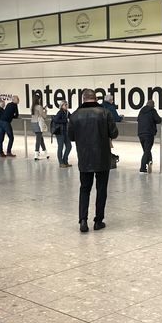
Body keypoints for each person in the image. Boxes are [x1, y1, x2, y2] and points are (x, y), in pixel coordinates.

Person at [68, 89, 118, 233]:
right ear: (95, 98)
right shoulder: (104, 113)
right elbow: (114, 133)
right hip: (102, 157)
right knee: (101, 189)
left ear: (83, 98)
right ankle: (98, 221)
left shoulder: (75, 115)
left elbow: (71, 136)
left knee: (84, 189)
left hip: (84, 157)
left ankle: (83, 220)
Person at [137, 100, 161, 174]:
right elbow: (158, 120)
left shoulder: (141, 111)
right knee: (147, 151)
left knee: (146, 150)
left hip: (141, 133)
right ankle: (142, 168)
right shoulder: (152, 111)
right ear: (152, 105)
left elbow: (138, 119)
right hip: (149, 133)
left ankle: (150, 161)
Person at [52, 101, 73, 168]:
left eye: (67, 104)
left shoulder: (67, 112)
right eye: (65, 105)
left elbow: (72, 117)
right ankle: (61, 162)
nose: (67, 106)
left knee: (69, 146)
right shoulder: (60, 112)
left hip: (65, 132)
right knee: (60, 147)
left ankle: (65, 160)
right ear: (61, 106)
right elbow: (55, 120)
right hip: (60, 132)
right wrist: (65, 121)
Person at [30, 94, 49, 160]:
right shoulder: (39, 106)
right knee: (38, 139)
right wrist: (45, 110)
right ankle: (36, 154)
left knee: (40, 139)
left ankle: (46, 153)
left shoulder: (32, 107)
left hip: (33, 123)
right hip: (38, 124)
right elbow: (44, 116)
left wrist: (42, 108)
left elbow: (36, 113)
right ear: (38, 99)